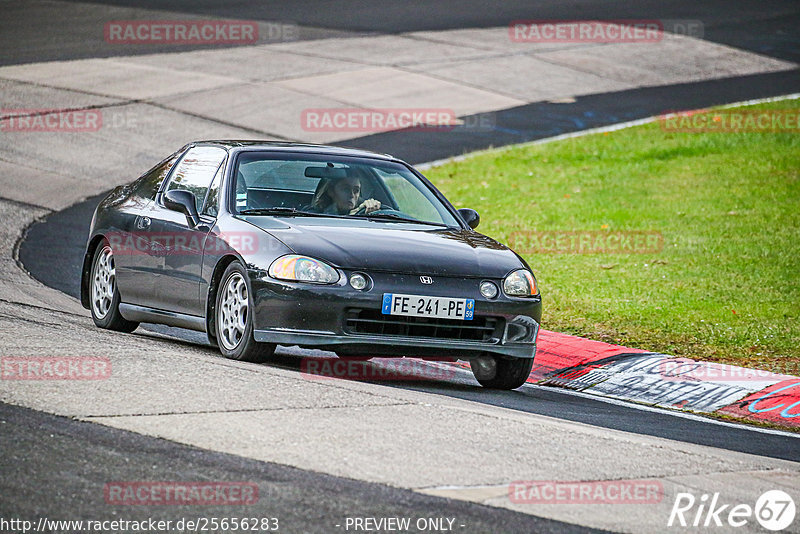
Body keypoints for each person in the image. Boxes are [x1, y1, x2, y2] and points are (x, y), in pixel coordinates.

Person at [310, 176, 381, 215]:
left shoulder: (363, 210)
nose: (352, 195)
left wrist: (373, 208)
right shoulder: (313, 215)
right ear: (331, 191)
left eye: (356, 190)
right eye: (346, 189)